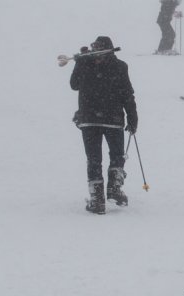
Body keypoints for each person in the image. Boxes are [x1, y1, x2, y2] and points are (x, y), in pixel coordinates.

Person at [70, 36, 138, 214]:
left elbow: (127, 94)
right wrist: (132, 116)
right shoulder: (116, 66)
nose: (96, 55)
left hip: (93, 119)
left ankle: (100, 197)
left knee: (100, 158)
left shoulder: (91, 63)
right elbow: (74, 85)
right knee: (110, 156)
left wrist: (80, 62)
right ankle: (108, 193)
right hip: (110, 119)